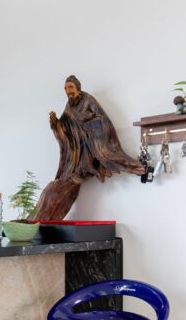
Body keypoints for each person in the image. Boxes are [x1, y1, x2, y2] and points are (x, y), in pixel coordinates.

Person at [35, 75, 144, 220]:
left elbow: (102, 120)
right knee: (52, 190)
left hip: (91, 149)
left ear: (78, 88)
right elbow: (65, 129)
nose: (68, 91)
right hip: (76, 155)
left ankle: (138, 168)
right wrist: (56, 124)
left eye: (70, 87)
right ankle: (38, 222)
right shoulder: (69, 106)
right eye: (65, 88)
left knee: (57, 191)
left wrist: (86, 125)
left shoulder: (88, 100)